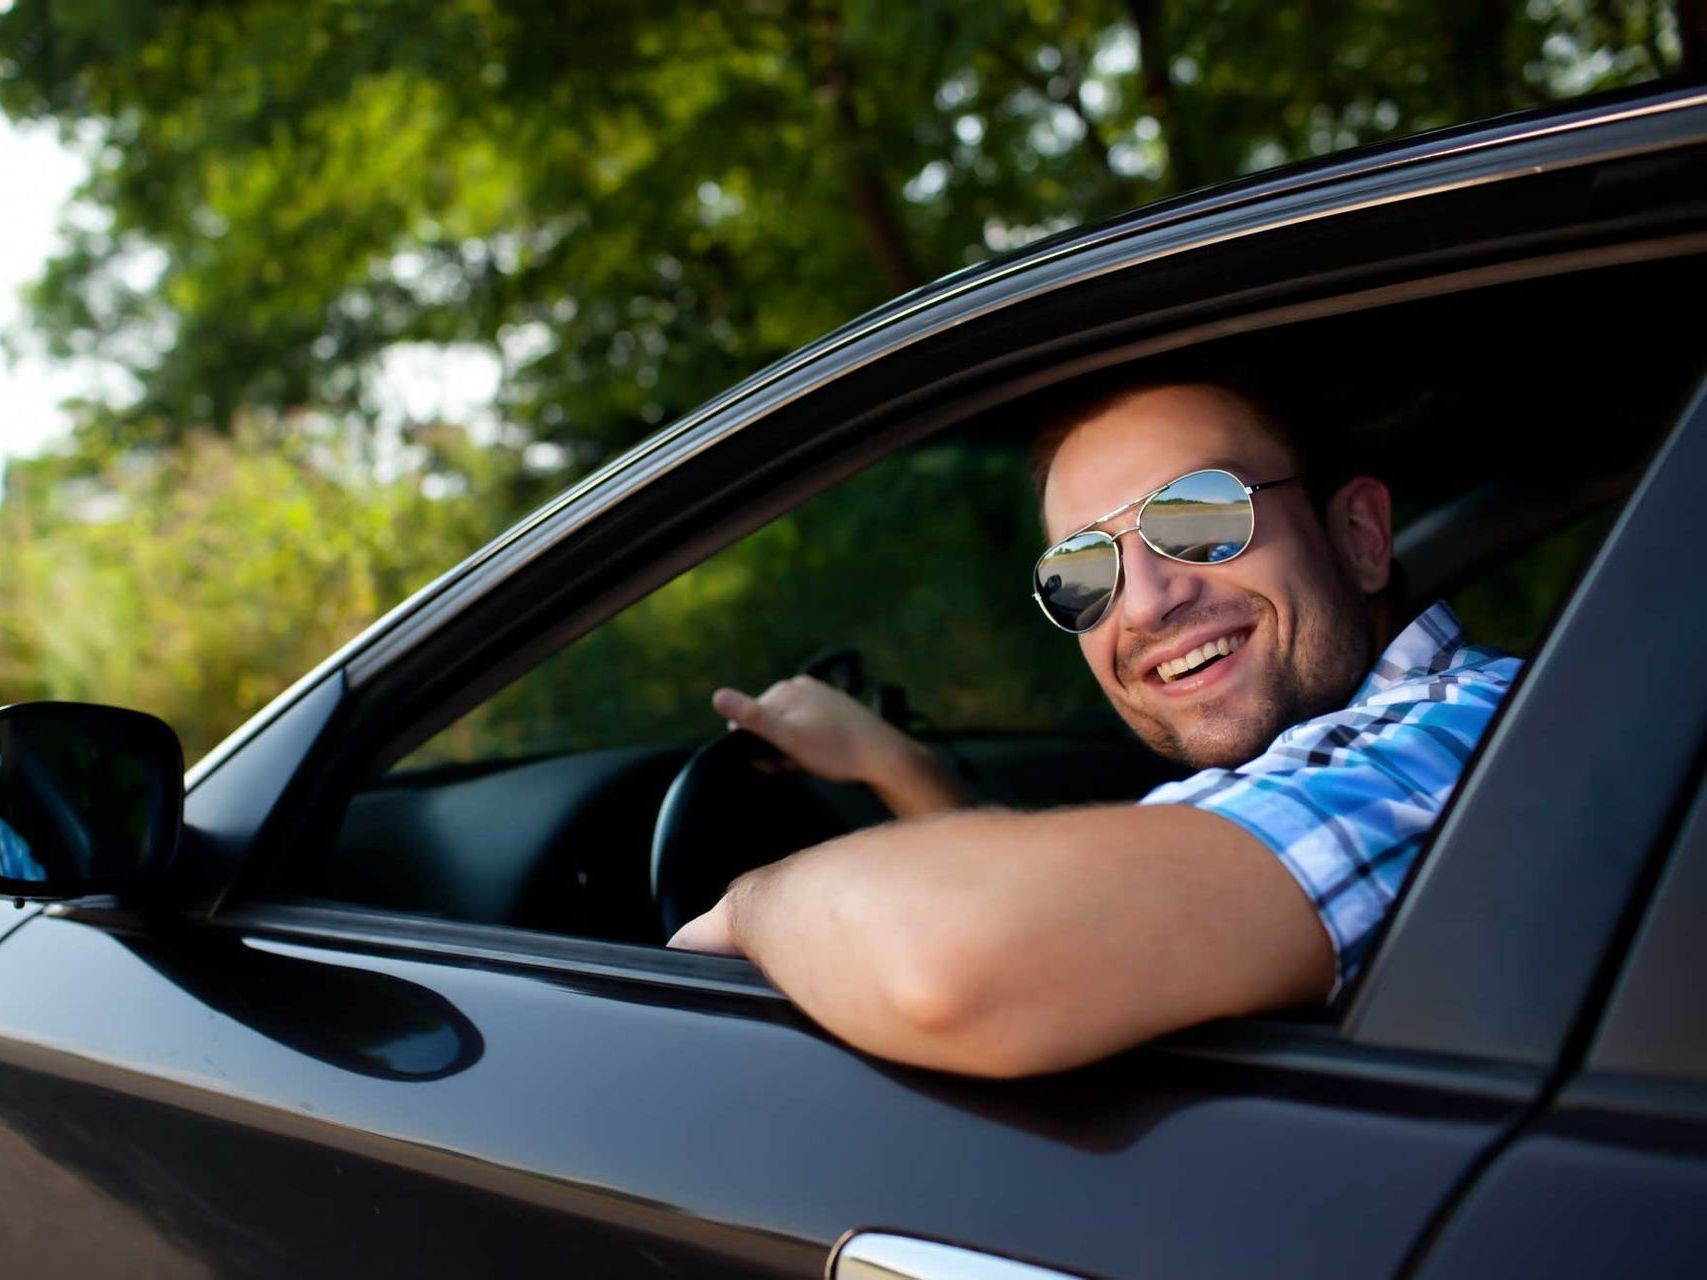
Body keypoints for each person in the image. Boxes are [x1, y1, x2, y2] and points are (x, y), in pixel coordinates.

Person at [667, 380, 1521, 1077]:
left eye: (1198, 519)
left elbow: (964, 962)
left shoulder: (1459, 740)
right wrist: (896, 764)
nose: (1146, 601)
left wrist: (746, 907)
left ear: (1360, 536)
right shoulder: (1398, 749)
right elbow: (1088, 917)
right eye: (1082, 571)